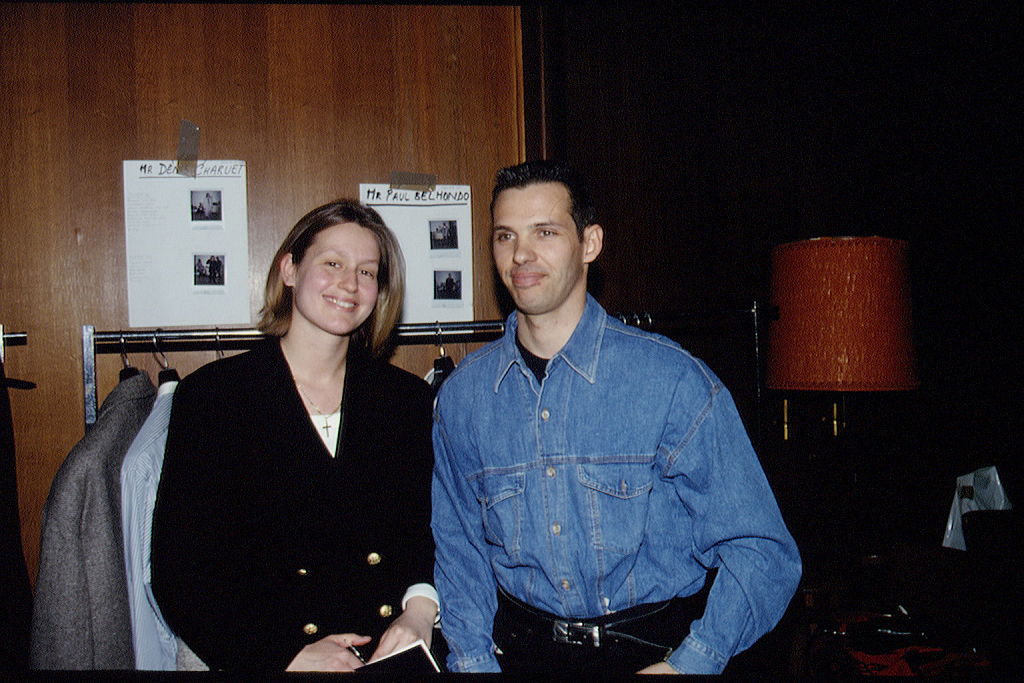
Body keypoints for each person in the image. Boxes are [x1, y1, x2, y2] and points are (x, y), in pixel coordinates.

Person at [431, 161, 801, 675]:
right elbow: (460, 550)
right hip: (519, 654)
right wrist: (472, 662)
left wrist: (693, 662)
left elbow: (761, 550)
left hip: (654, 654)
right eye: (505, 236)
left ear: (590, 243)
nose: (521, 255)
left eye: (545, 232)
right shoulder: (463, 399)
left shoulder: (672, 382)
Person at [152, 199, 438, 671]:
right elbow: (180, 570)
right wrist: (286, 653)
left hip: (384, 651)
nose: (350, 283)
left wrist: (420, 611)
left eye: (367, 272)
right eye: (333, 264)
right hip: (257, 656)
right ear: (289, 268)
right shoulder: (214, 397)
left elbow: (426, 531)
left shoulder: (405, 400)